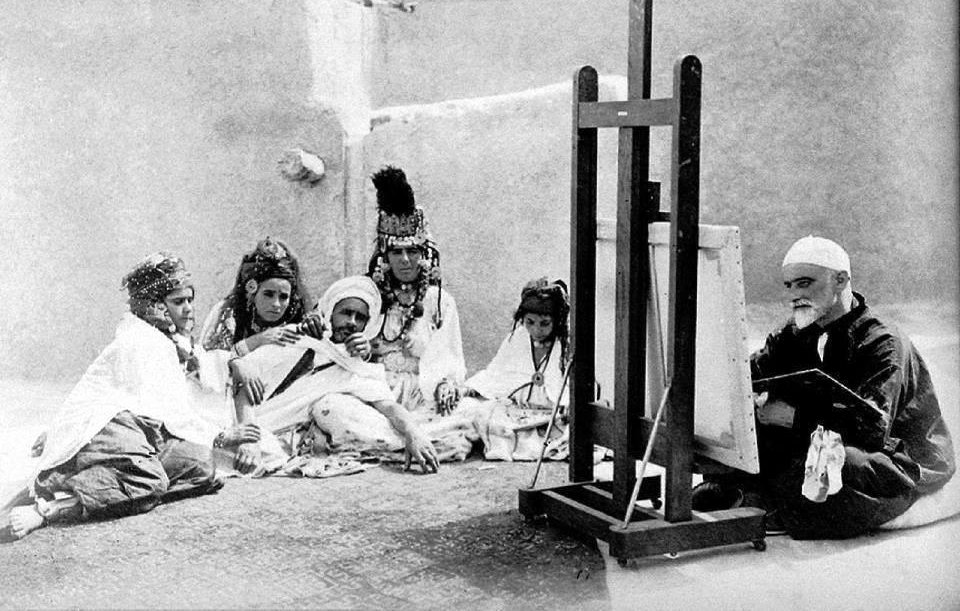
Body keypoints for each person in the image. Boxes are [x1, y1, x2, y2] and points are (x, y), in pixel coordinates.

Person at [693, 236, 955, 539]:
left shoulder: (884, 343)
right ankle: (756, 494)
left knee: (840, 465)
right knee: (742, 431)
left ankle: (761, 498)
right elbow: (747, 374)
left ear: (840, 280)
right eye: (789, 286)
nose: (794, 295)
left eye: (804, 283)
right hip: (816, 439)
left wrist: (792, 418)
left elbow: (872, 431)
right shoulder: (794, 332)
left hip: (891, 453)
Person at [4, 253, 261, 540]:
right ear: (154, 307)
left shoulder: (167, 340)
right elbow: (173, 413)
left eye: (190, 299)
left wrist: (236, 361)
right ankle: (50, 507)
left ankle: (121, 486)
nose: (189, 309)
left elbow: (201, 364)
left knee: (201, 466)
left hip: (143, 431)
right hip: (108, 426)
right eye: (178, 302)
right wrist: (222, 437)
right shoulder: (141, 342)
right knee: (150, 481)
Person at [229, 275, 441, 473]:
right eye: (346, 313)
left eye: (360, 318)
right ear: (330, 312)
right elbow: (243, 391)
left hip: (279, 438)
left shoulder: (357, 367)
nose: (352, 322)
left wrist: (413, 433)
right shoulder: (296, 338)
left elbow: (388, 406)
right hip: (242, 424)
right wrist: (249, 441)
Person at [366, 166, 466, 417]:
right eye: (396, 252)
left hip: (424, 390)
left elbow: (450, 356)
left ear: (425, 255)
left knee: (472, 417)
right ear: (384, 257)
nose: (405, 260)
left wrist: (447, 384)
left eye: (412, 251)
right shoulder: (368, 294)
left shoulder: (438, 300)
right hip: (375, 394)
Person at [459, 277, 571, 461]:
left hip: (553, 412)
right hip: (520, 409)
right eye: (530, 322)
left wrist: (569, 404)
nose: (536, 330)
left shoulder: (566, 343)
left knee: (564, 431)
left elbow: (577, 383)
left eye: (544, 324)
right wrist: (469, 388)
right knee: (477, 412)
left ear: (556, 321)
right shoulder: (517, 337)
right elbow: (496, 372)